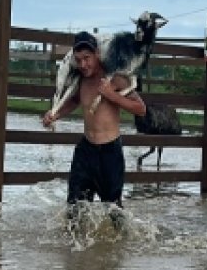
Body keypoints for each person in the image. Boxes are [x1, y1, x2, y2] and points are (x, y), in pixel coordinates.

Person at [42, 31, 147, 208]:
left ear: (97, 54)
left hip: (110, 153)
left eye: (87, 58)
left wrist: (111, 95)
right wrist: (56, 114)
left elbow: (141, 109)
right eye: (79, 59)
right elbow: (75, 100)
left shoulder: (114, 78)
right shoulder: (81, 79)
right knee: (75, 207)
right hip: (85, 150)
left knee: (113, 210)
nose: (83, 64)